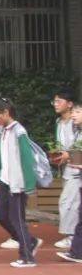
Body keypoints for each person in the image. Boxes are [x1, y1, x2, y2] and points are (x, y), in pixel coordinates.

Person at [0, 98, 41, 267]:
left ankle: (27, 257)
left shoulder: (19, 132)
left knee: (17, 218)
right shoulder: (3, 130)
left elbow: (27, 160)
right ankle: (29, 241)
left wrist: (29, 185)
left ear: (6, 113)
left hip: (17, 183)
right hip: (5, 180)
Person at [51, 88, 79, 251]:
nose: (55, 104)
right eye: (54, 101)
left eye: (59, 101)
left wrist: (68, 154)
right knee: (71, 202)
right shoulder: (58, 122)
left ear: (69, 104)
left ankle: (71, 236)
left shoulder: (76, 123)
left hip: (76, 168)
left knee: (68, 202)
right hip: (67, 169)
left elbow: (77, 145)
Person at [56, 104, 82, 263]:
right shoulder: (78, 132)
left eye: (78, 112)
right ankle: (76, 252)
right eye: (73, 112)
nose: (73, 115)